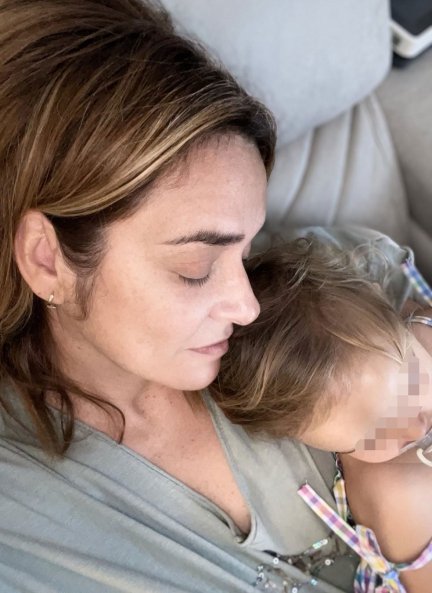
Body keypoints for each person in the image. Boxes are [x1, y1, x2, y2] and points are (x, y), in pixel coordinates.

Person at [0, 1, 367, 592]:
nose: (248, 306)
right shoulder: (24, 527)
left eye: (245, 249)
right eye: (195, 267)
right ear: (49, 259)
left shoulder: (341, 287)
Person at [210, 237, 432, 593]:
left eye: (409, 381)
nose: (415, 425)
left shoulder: (420, 328)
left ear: (391, 312)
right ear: (304, 437)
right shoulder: (395, 493)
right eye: (371, 434)